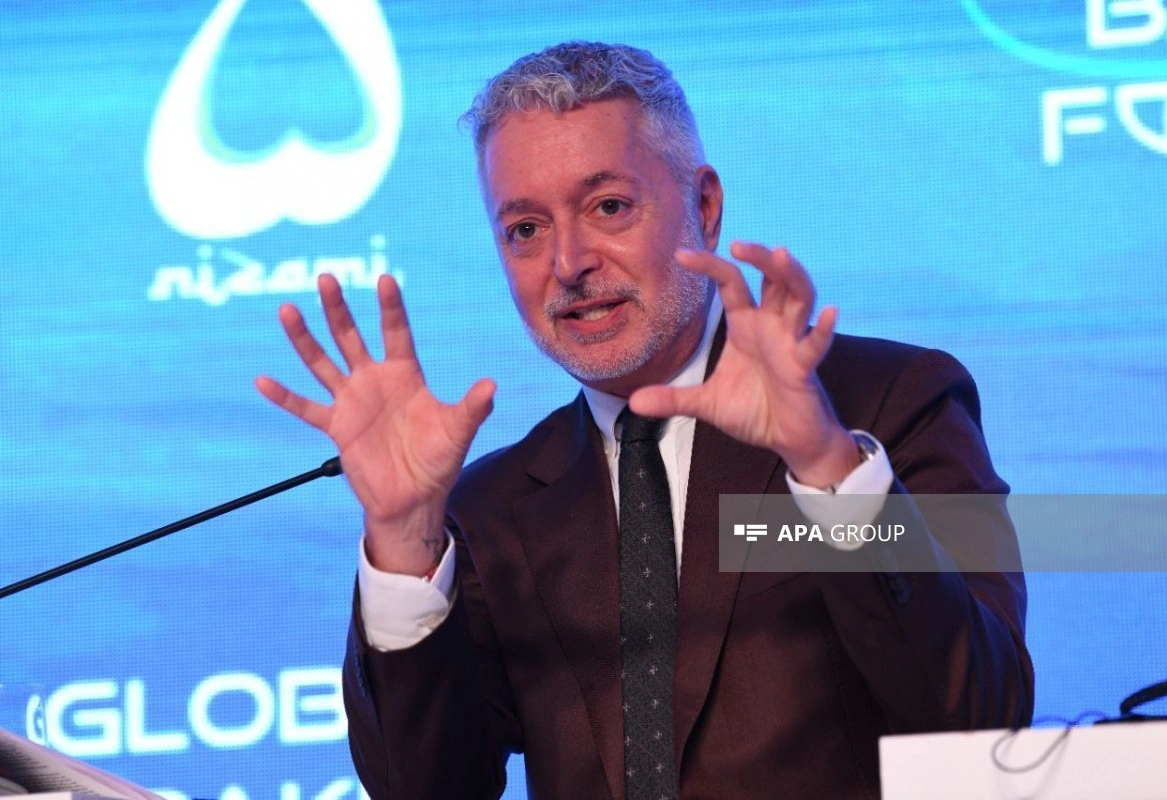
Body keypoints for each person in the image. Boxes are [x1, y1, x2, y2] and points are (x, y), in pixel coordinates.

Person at [257, 41, 1033, 800]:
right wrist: (402, 539)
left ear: (704, 207)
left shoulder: (891, 404)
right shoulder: (488, 510)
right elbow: (427, 789)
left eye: (608, 207)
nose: (569, 263)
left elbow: (979, 719)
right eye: (525, 229)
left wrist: (827, 467)